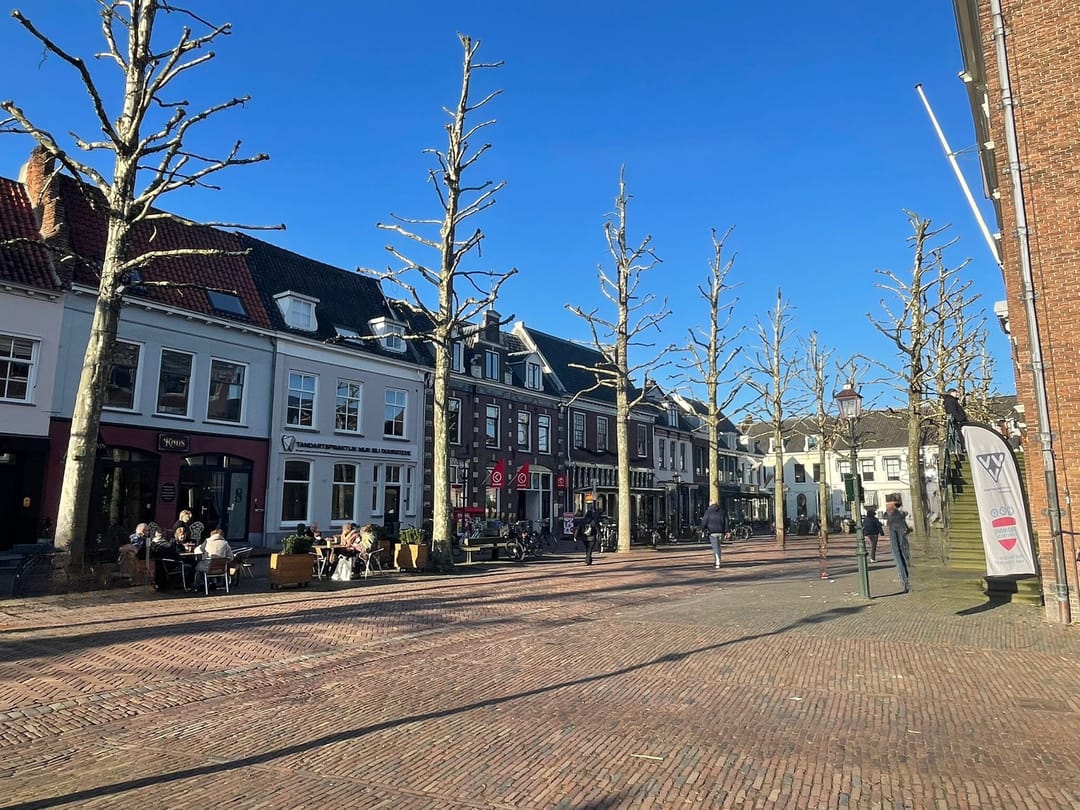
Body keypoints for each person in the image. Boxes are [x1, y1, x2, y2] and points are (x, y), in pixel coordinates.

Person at [885, 500, 911, 594]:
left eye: (888, 505)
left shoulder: (894, 517)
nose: (887, 507)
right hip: (902, 544)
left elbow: (897, 533)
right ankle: (906, 582)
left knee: (901, 562)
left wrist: (895, 548)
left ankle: (906, 583)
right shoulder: (899, 515)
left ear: (893, 505)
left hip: (899, 546)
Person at [700, 501, 729, 569]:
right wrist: (727, 531)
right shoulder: (723, 512)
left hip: (712, 533)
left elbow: (704, 521)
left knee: (715, 548)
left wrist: (702, 529)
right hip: (721, 533)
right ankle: (717, 560)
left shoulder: (708, 512)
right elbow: (726, 522)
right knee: (718, 547)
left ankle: (718, 562)